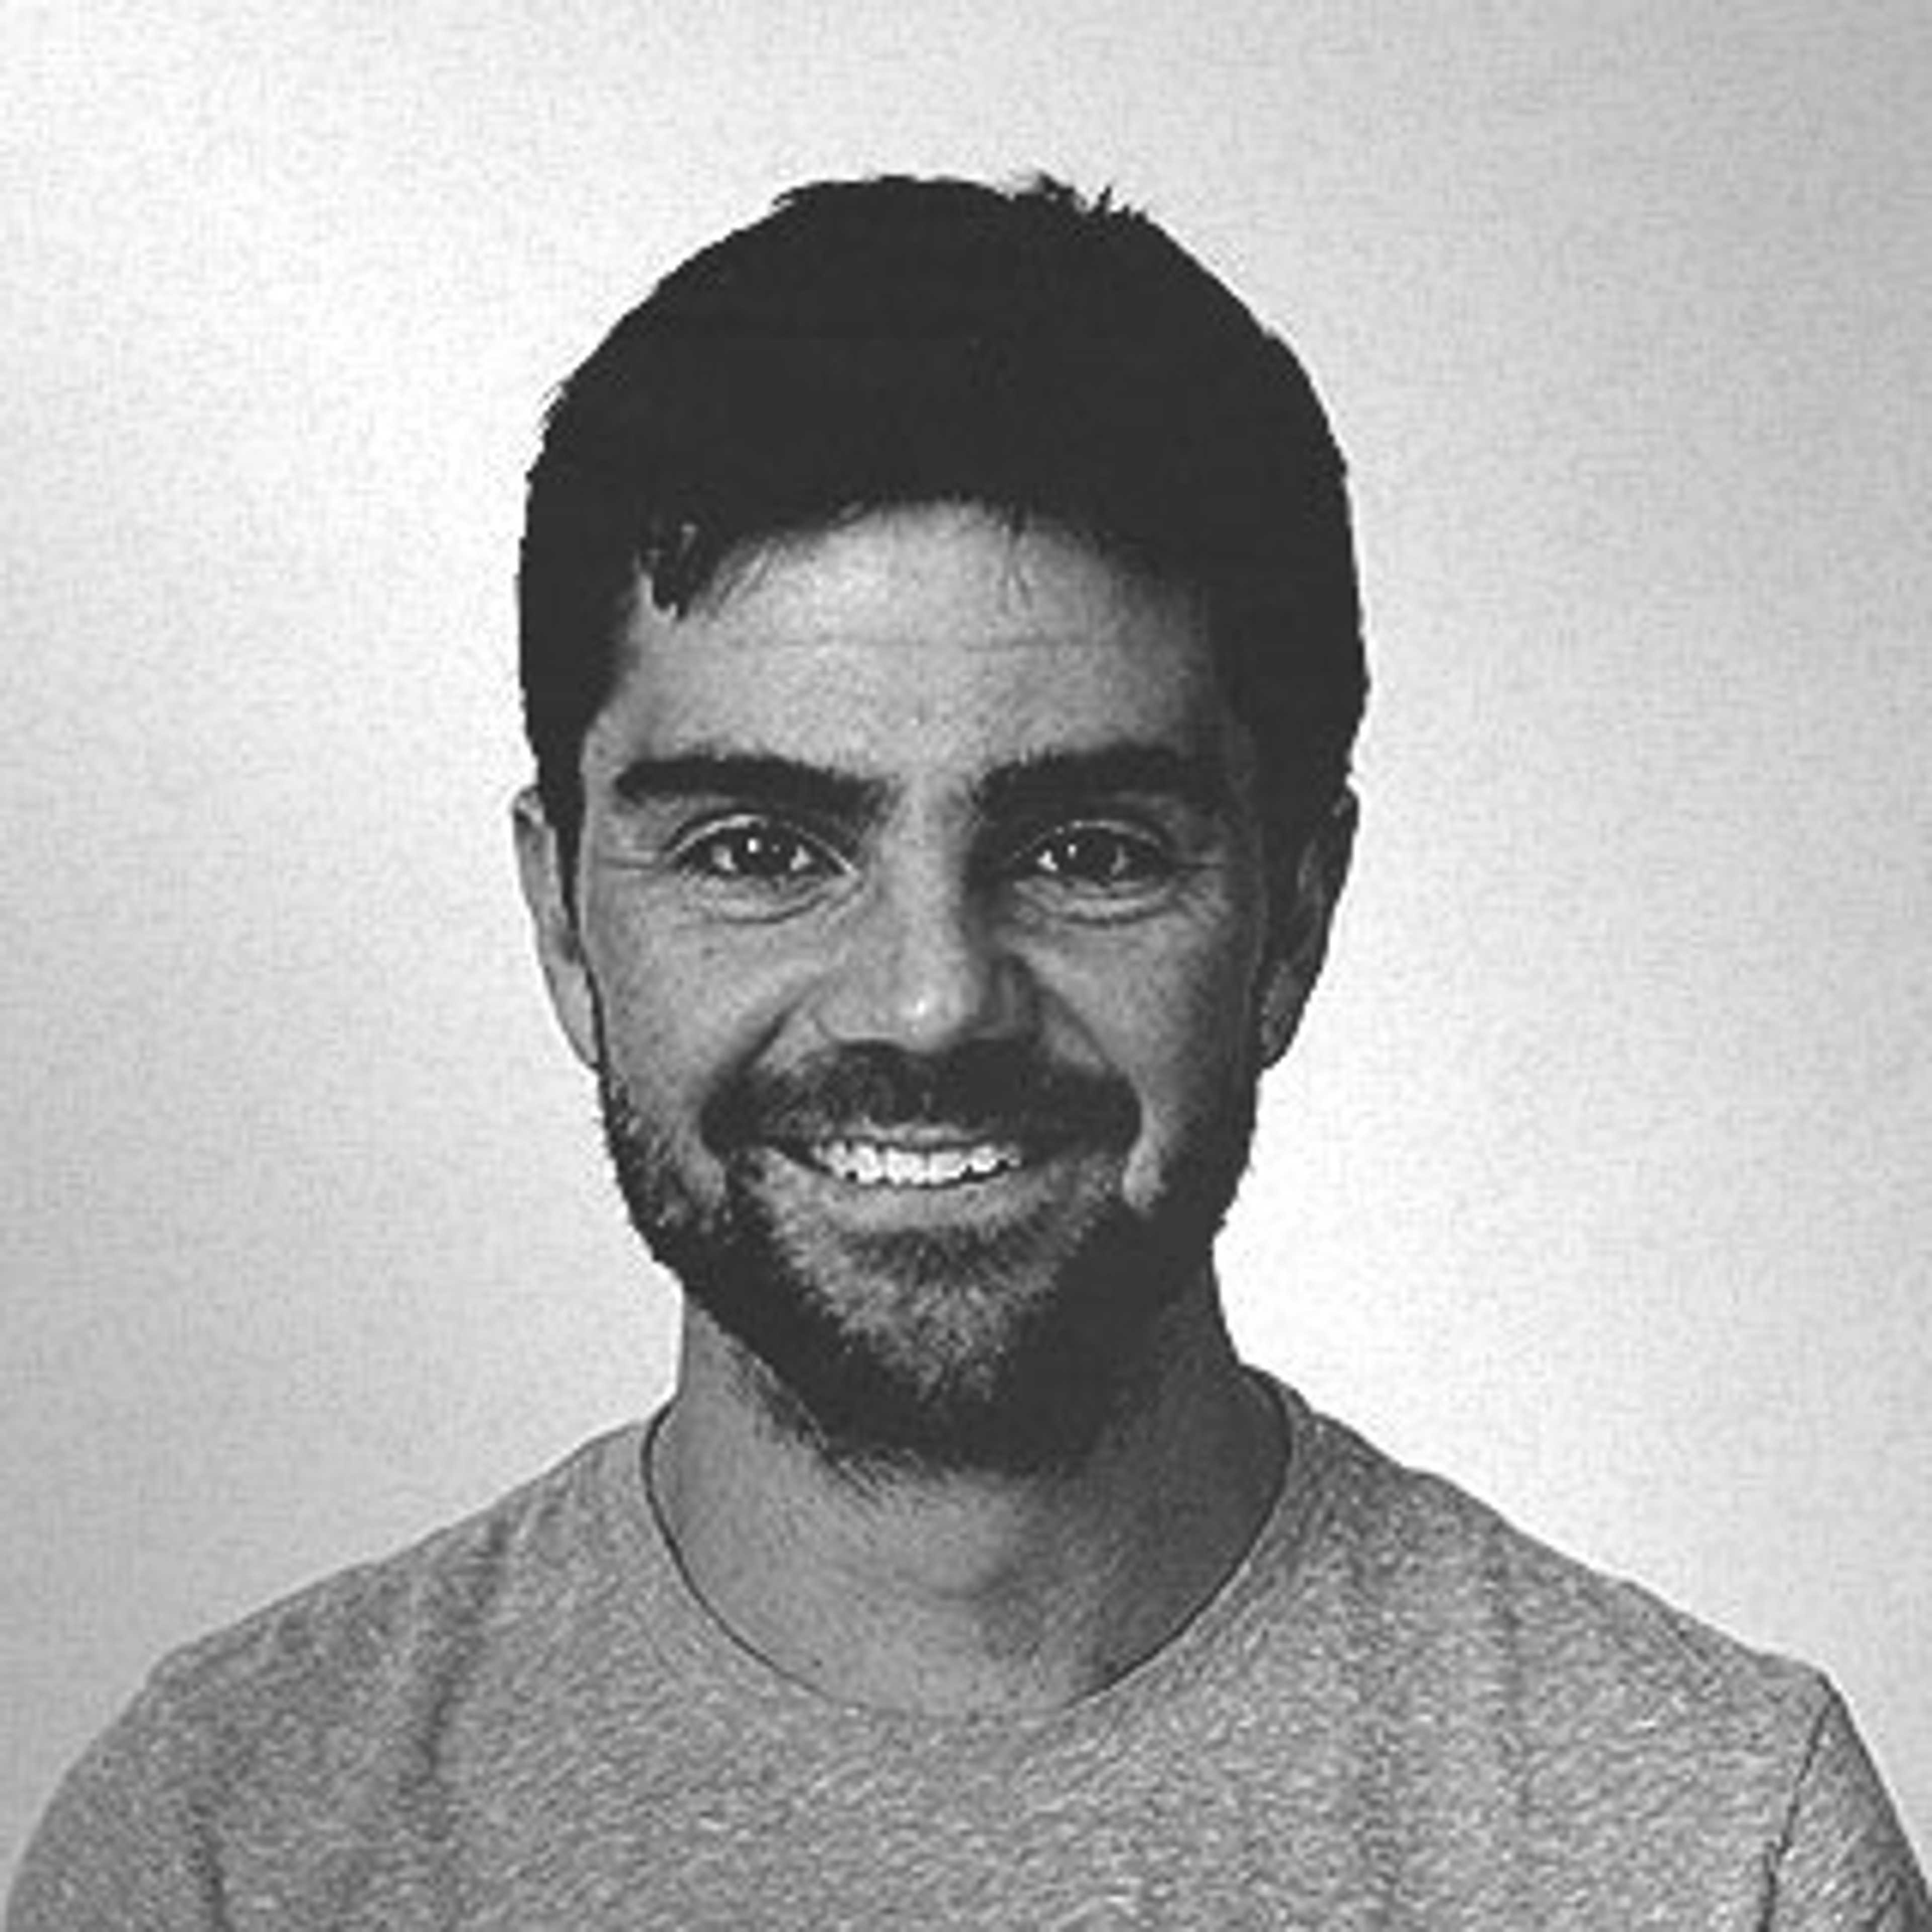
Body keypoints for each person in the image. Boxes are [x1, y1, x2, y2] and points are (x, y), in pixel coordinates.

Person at [10, 174, 1925, 1929]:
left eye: (1089, 850)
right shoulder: (223, 1851)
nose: (930, 1003)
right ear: (565, 923)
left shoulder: (1709, 1852)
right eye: (758, 850)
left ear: (1294, 918)